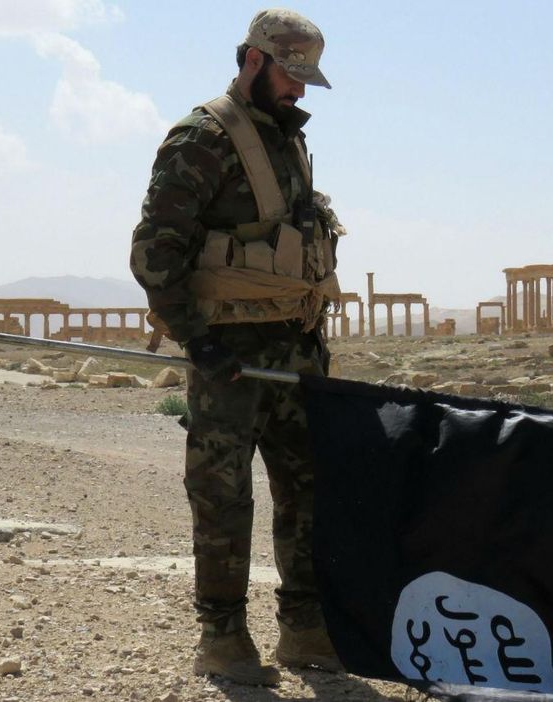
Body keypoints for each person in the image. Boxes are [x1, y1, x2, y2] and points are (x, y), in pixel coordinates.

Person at [129, 8, 345, 687]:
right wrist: (197, 340)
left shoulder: (287, 139)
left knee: (307, 490)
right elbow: (155, 251)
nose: (299, 90)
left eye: (306, 78)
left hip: (295, 350)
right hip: (229, 353)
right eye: (290, 74)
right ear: (252, 60)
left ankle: (305, 629)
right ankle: (222, 638)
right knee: (222, 496)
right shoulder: (201, 138)